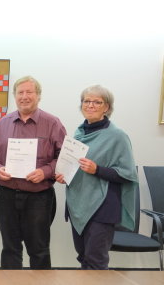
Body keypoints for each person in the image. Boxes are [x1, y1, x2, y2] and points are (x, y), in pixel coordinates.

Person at [0, 76, 66, 269]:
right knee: (10, 248)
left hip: (39, 197)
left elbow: (64, 157)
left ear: (38, 96)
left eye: (29, 92)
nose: (24, 96)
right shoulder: (2, 123)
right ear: (14, 96)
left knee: (39, 249)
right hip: (7, 195)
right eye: (20, 92)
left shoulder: (53, 123)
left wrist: (45, 171)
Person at [55, 85, 137, 269]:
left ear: (106, 107)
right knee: (83, 256)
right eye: (87, 101)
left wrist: (97, 169)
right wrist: (64, 176)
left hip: (102, 207)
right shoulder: (78, 134)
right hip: (78, 204)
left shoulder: (117, 136)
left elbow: (127, 174)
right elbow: (74, 167)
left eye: (97, 102)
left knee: (96, 261)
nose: (91, 105)